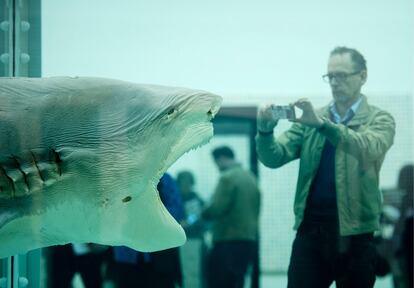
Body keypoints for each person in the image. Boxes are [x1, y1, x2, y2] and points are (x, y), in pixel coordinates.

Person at [256, 46, 395, 288]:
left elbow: (367, 147)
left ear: (362, 76)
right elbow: (274, 157)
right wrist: (265, 131)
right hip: (310, 232)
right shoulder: (312, 119)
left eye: (341, 75)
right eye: (330, 76)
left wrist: (323, 125)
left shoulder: (379, 119)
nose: (334, 82)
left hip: (356, 234)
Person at [106, 173, 184, 288]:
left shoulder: (164, 178)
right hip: (126, 253)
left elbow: (177, 210)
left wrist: (147, 217)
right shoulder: (118, 180)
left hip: (159, 253)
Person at [202, 146, 261, 288]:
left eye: (216, 163)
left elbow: (216, 208)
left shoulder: (227, 178)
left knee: (219, 281)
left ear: (221, 159)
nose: (217, 167)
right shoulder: (251, 178)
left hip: (227, 240)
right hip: (248, 239)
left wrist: (203, 212)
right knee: (237, 281)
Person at [177, 170, 207, 238]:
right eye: (182, 184)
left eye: (187, 184)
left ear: (191, 184)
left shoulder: (196, 198)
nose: (185, 187)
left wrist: (188, 222)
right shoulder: (174, 199)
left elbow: (199, 214)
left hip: (194, 235)